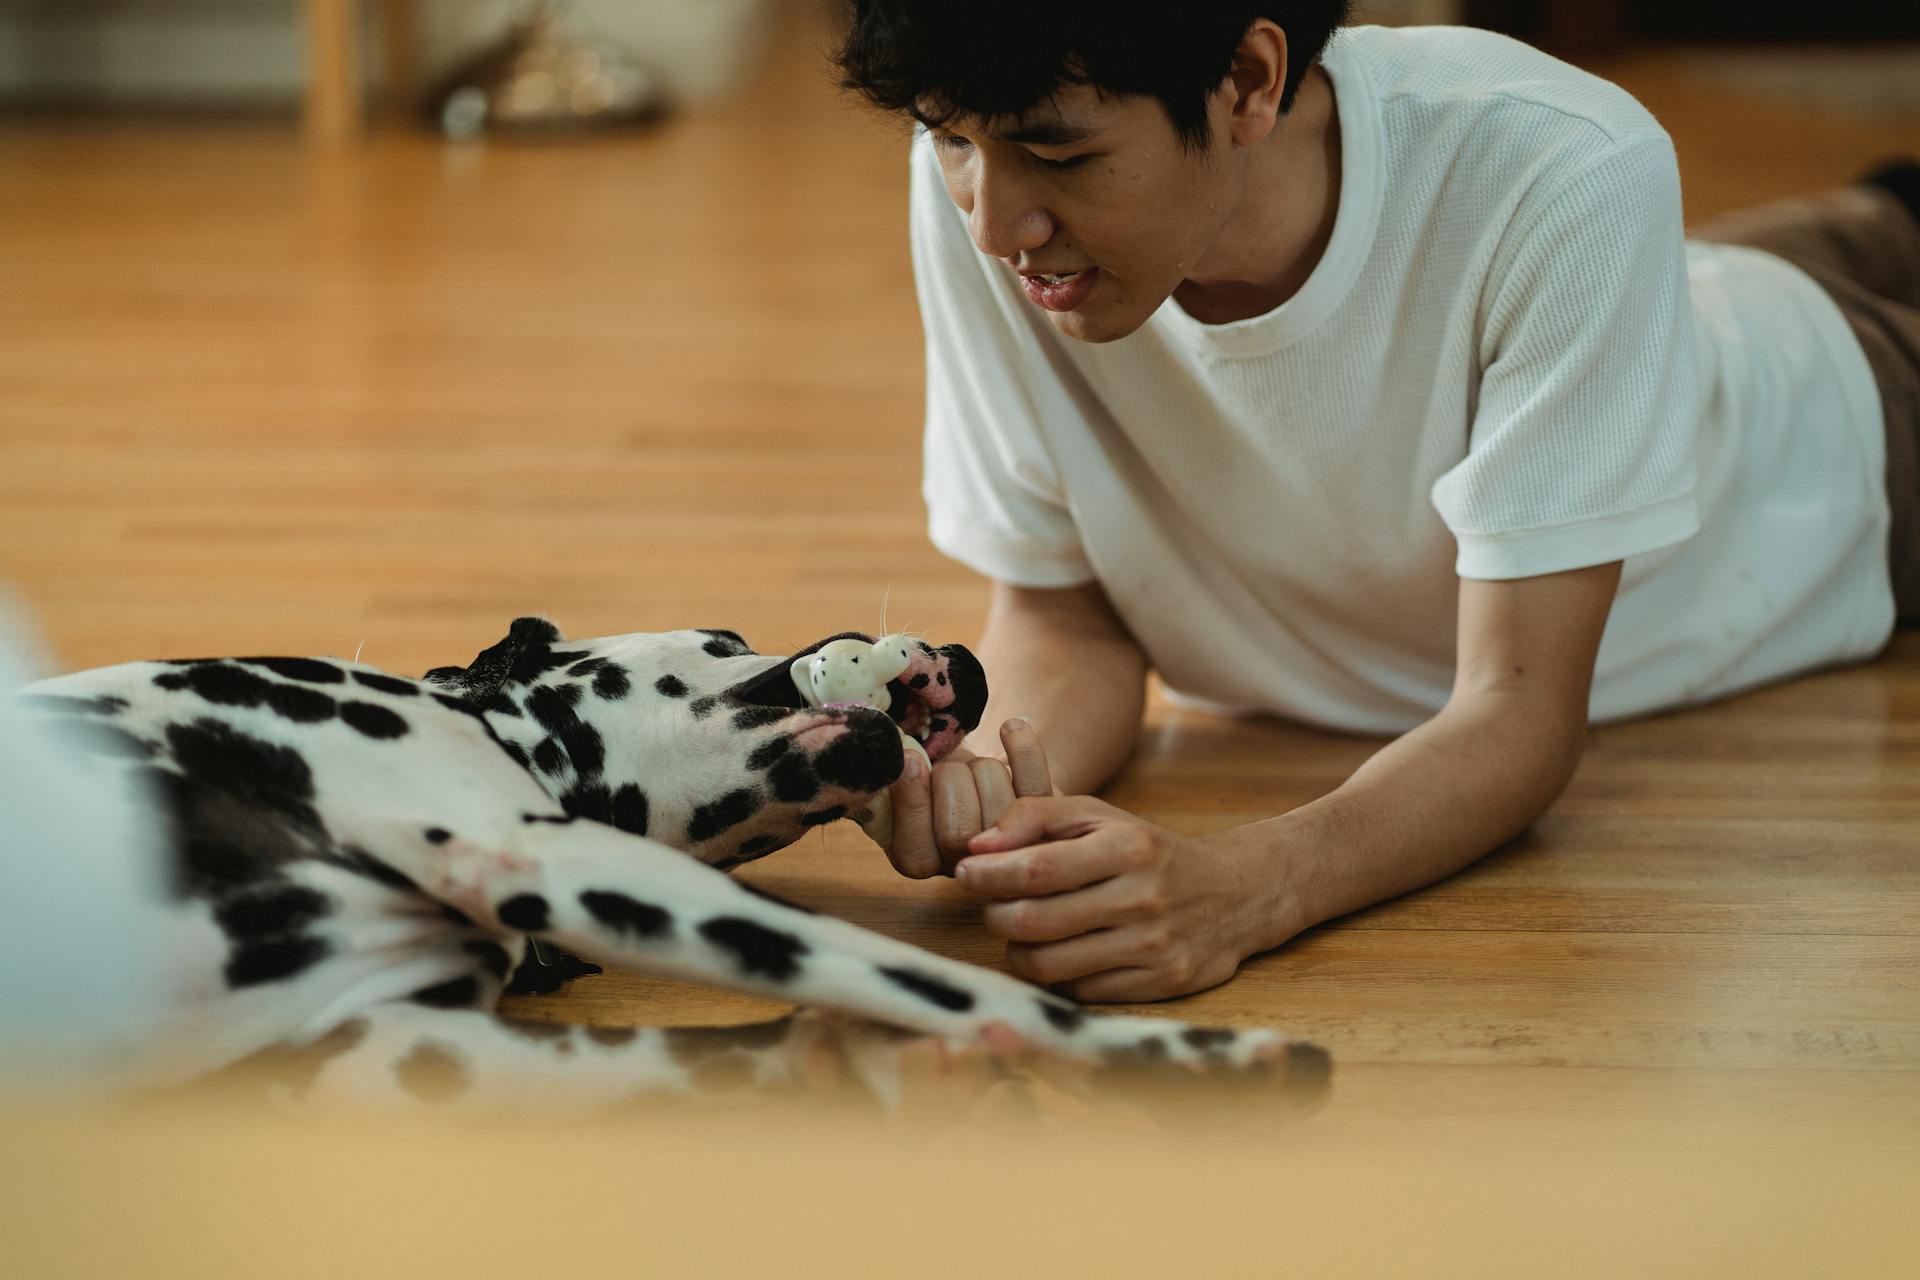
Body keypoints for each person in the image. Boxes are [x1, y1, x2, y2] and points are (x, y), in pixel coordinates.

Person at [832, 1, 1920, 1002]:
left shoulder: (1572, 164)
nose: (991, 222)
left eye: (1059, 153)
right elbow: (1066, 616)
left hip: (1836, 424)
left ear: (1252, 81)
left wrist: (1254, 882)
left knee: (1668, 223)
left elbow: (1518, 711)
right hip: (1672, 288)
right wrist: (988, 784)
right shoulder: (996, 180)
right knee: (1863, 219)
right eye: (950, 139)